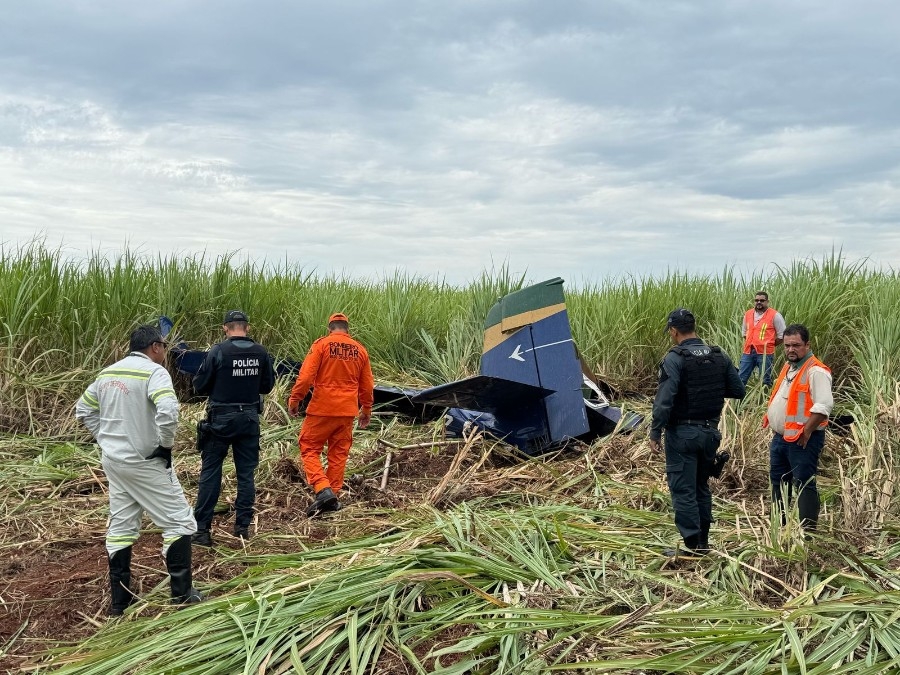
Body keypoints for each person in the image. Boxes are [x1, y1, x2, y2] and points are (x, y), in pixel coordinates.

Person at [75, 325, 202, 615]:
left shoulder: (107, 374)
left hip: (115, 462)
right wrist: (165, 446)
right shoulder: (155, 373)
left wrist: (105, 439)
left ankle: (121, 602)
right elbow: (168, 412)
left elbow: (83, 410)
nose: (165, 353)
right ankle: (182, 596)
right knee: (180, 522)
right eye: (165, 347)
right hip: (146, 462)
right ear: (155, 347)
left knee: (121, 526)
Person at [650, 308, 746, 555]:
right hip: (710, 434)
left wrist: (655, 433)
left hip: (682, 434)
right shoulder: (718, 355)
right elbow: (738, 389)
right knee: (701, 486)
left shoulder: (675, 358)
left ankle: (692, 547)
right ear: (693, 327)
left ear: (673, 331)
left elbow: (664, 401)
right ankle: (703, 542)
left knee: (683, 489)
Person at [191, 310, 275, 546]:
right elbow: (267, 386)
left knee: (211, 471)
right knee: (246, 474)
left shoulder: (219, 351)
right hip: (249, 418)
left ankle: (202, 530)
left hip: (220, 419)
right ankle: (242, 528)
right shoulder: (261, 352)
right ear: (247, 328)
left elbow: (200, 385)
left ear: (225, 328)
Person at [288, 312, 374, 517]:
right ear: (347, 329)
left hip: (322, 409)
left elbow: (306, 376)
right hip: (347, 412)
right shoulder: (360, 350)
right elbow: (367, 385)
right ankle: (332, 498)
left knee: (308, 447)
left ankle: (322, 488)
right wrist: (367, 410)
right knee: (338, 454)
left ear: (330, 328)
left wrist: (295, 399)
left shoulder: (322, 345)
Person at [763, 324, 833, 531]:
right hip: (781, 438)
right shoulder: (789, 367)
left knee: (804, 483)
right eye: (787, 345)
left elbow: (824, 406)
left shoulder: (816, 371)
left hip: (803, 439)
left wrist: (807, 430)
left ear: (807, 345)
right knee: (778, 481)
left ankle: (808, 534)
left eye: (796, 345)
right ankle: (779, 528)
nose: (791, 349)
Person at [739, 291, 786, 387]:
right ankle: (739, 401)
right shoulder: (748, 314)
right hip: (748, 352)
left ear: (767, 301)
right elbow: (744, 333)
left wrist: (769, 344)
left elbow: (782, 336)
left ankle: (764, 400)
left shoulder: (775, 315)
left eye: (762, 300)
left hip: (765, 354)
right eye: (756, 300)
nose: (759, 302)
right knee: (741, 378)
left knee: (765, 380)